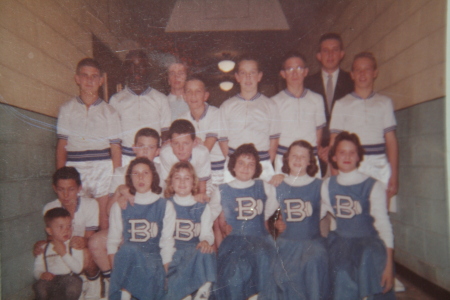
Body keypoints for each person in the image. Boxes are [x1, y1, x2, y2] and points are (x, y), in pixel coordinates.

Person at [87, 127, 162, 297]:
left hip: (151, 231)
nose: (144, 151)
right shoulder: (121, 172)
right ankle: (112, 281)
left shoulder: (162, 171)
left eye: (150, 147)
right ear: (134, 147)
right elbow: (107, 210)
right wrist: (121, 190)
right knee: (96, 242)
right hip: (124, 230)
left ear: (157, 151)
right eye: (141, 146)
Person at [322, 132, 395, 299]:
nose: (347, 156)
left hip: (368, 242)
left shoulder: (372, 185)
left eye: (352, 152)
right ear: (333, 157)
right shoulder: (327, 185)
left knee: (371, 262)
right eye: (342, 152)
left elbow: (384, 225)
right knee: (340, 274)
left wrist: (389, 265)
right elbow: (316, 212)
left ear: (358, 156)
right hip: (341, 243)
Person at [56, 58, 121, 230]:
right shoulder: (67, 109)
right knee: (74, 216)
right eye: (84, 76)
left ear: (101, 81)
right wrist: (60, 176)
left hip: (102, 168)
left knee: (103, 218)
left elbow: (115, 150)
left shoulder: (110, 112)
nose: (89, 80)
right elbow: (62, 145)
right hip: (75, 166)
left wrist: (116, 181)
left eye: (94, 76)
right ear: (77, 78)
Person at [329, 52, 398, 210]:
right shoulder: (342, 104)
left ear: (375, 73)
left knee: (379, 217)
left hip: (379, 167)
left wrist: (394, 175)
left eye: (367, 69)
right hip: (350, 166)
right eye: (358, 70)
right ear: (352, 75)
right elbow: (334, 142)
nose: (362, 73)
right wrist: (335, 175)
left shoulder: (384, 103)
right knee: (352, 214)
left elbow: (391, 141)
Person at [213, 144, 279, 300]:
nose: (245, 167)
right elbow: (210, 213)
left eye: (251, 164)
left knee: (265, 262)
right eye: (241, 163)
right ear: (233, 166)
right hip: (235, 239)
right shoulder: (222, 189)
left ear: (256, 168)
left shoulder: (263, 186)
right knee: (233, 271)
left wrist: (263, 218)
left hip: (259, 238)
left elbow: (273, 204)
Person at [107, 157, 175, 300]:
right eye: (136, 173)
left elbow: (167, 244)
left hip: (152, 263)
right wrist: (117, 275)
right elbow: (112, 243)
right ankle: (124, 292)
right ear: (129, 178)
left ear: (153, 176)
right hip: (127, 265)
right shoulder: (121, 205)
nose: (141, 177)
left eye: (145, 173)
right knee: (128, 248)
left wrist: (167, 276)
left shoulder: (165, 206)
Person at [33, 167, 101, 298]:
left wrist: (83, 241)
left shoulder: (91, 204)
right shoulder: (50, 207)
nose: (66, 195)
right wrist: (41, 246)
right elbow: (51, 238)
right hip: (64, 252)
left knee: (86, 249)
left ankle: (94, 283)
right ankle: (71, 284)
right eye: (60, 189)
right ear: (54, 188)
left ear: (79, 188)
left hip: (82, 247)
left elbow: (90, 238)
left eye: (71, 189)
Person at [273, 140, 329, 300]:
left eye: (303, 157)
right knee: (281, 268)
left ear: (310, 161)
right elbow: (268, 210)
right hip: (286, 242)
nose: (298, 160)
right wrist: (276, 221)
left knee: (314, 261)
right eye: (294, 155)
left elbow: (327, 209)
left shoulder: (320, 185)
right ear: (287, 158)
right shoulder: (279, 184)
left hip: (311, 241)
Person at [219, 56, 280, 182]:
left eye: (252, 73)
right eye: (243, 73)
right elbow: (223, 140)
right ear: (237, 77)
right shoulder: (227, 106)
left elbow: (274, 140)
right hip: (234, 167)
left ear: (259, 76)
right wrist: (234, 164)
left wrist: (264, 165)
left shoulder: (270, 105)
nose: (248, 77)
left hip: (262, 164)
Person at [164, 161, 216, 300]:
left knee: (207, 251)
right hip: (173, 252)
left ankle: (204, 288)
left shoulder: (201, 206)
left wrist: (205, 241)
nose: (182, 182)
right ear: (170, 183)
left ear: (194, 183)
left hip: (193, 251)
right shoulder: (164, 205)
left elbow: (207, 233)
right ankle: (184, 294)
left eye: (187, 178)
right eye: (177, 177)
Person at [304, 33, 354, 176]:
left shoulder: (352, 82)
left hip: (344, 154)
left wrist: (334, 148)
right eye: (325, 50)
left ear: (342, 54)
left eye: (335, 50)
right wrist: (318, 147)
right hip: (316, 154)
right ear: (318, 56)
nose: (330, 54)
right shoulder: (307, 84)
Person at [109, 50, 171, 164]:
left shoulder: (161, 99)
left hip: (154, 159)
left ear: (147, 69)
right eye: (132, 65)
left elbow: (166, 133)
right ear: (126, 69)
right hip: (126, 158)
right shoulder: (116, 100)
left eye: (141, 66)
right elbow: (113, 139)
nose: (136, 70)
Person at [272, 51, 326, 177]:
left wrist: (312, 156)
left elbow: (318, 133)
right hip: (284, 158)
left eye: (299, 68)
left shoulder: (316, 99)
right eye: (290, 69)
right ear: (283, 74)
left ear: (306, 72)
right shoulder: (274, 102)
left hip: (309, 159)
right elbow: (273, 137)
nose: (295, 73)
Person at [178, 77, 226, 188]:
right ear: (184, 97)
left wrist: (192, 145)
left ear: (205, 96)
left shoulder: (216, 114)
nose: (193, 95)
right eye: (189, 91)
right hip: (194, 170)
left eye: (198, 91)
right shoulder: (181, 120)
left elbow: (206, 148)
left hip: (218, 170)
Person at [33, 208, 83, 300]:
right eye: (61, 227)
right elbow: (37, 268)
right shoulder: (43, 248)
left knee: (74, 287)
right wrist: (41, 274)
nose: (66, 230)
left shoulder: (74, 245)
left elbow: (78, 269)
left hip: (69, 279)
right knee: (40, 287)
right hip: (51, 281)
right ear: (49, 231)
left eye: (69, 226)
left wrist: (63, 253)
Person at [159, 119, 211, 197]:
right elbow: (170, 186)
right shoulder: (165, 154)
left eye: (186, 143)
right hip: (176, 188)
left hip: (198, 186)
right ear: (170, 143)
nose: (181, 148)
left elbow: (202, 188)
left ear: (195, 142)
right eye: (176, 143)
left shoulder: (202, 153)